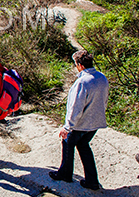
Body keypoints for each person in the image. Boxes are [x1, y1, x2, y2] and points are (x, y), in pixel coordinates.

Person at [49, 50, 109, 191]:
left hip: (80, 124)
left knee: (67, 143)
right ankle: (92, 181)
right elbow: (104, 100)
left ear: (80, 65)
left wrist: (67, 127)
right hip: (95, 123)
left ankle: (65, 174)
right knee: (83, 146)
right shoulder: (102, 77)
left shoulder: (82, 82)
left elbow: (75, 107)